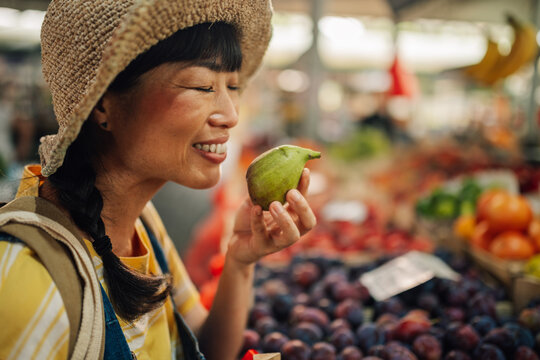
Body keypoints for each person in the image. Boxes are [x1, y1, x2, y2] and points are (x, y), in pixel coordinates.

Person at [0, 1, 317, 359]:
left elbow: (203, 345)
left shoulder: (142, 223)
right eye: (202, 86)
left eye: (233, 86)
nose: (231, 115)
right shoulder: (25, 283)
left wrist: (241, 259)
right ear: (103, 104)